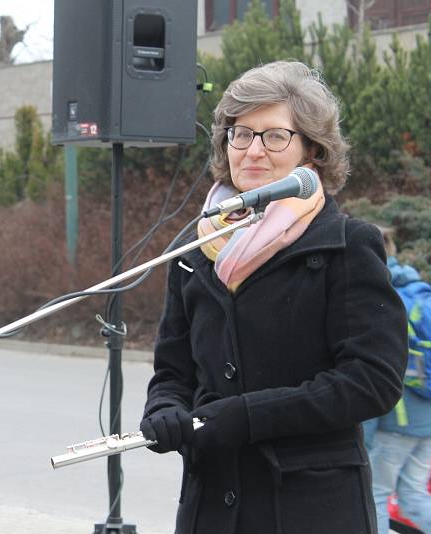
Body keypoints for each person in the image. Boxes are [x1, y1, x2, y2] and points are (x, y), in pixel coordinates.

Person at [139, 61, 407, 534]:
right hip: (213, 507)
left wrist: (248, 416)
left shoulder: (346, 244)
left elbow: (372, 381)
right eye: (240, 134)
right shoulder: (194, 248)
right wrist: (164, 410)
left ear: (312, 152)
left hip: (310, 508)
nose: (253, 150)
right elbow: (173, 369)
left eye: (275, 136)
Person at [365, 228, 431, 534]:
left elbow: (377, 371)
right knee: (413, 495)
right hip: (427, 424)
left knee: (375, 495)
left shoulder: (384, 296)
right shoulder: (420, 292)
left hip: (396, 424)